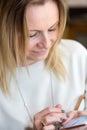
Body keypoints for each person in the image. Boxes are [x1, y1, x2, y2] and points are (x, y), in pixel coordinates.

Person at [0, 0, 87, 130]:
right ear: (5, 30)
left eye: (52, 28)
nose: (47, 44)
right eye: (32, 34)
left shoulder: (76, 55)